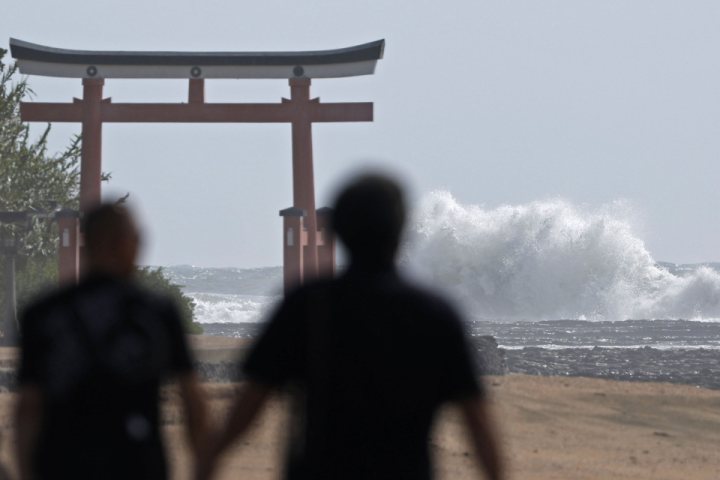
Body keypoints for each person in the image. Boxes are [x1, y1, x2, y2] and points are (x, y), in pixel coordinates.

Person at [196, 174, 504, 480]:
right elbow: (475, 418)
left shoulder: (307, 305)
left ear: (335, 232)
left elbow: (253, 398)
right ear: (401, 232)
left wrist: (210, 459)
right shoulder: (434, 314)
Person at [15, 204, 206, 480]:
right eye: (138, 239)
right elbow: (191, 400)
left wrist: (25, 471)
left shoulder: (42, 313)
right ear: (125, 243)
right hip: (137, 465)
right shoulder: (156, 312)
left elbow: (28, 408)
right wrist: (204, 466)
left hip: (62, 465)